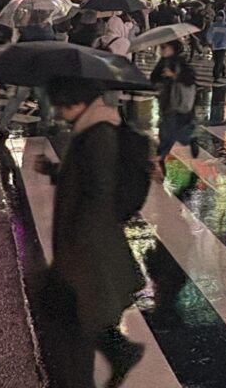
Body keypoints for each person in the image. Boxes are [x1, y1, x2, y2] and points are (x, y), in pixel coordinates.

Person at [33, 78, 144, 388]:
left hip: (88, 245)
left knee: (74, 318)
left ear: (74, 102)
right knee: (80, 313)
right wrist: (56, 172)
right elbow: (85, 176)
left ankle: (102, 363)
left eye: (59, 105)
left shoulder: (99, 134)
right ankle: (119, 351)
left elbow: (99, 189)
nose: (57, 112)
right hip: (86, 243)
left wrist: (80, 243)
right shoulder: (89, 129)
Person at [152, 40, 199, 168]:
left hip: (177, 103)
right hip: (165, 102)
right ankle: (161, 156)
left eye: (164, 47)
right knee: (166, 131)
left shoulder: (180, 62)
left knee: (172, 132)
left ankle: (162, 155)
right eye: (161, 47)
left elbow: (190, 78)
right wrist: (158, 84)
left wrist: (174, 76)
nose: (162, 50)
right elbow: (154, 77)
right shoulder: (162, 62)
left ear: (173, 48)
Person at [206, 10, 226, 84]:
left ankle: (216, 75)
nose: (219, 18)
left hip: (222, 46)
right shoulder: (213, 25)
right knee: (217, 60)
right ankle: (222, 68)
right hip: (214, 46)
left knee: (218, 61)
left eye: (221, 16)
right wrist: (209, 42)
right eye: (218, 16)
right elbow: (209, 34)